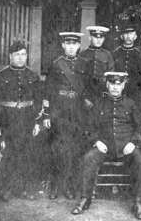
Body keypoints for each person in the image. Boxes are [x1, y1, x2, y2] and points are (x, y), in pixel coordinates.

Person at [71, 72, 141, 220]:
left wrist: (133, 143)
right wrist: (96, 141)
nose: (115, 88)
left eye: (118, 84)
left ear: (124, 85)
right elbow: (88, 127)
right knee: (88, 158)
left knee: (140, 160)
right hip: (104, 146)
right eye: (112, 84)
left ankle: (138, 202)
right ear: (107, 84)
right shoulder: (98, 103)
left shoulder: (131, 104)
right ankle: (85, 199)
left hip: (126, 147)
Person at [0, 41, 43, 201]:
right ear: (10, 56)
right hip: (7, 119)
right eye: (17, 54)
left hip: (27, 119)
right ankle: (7, 189)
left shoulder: (33, 76)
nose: (20, 58)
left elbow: (39, 100)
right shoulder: (0, 76)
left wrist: (38, 122)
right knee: (8, 153)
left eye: (23, 54)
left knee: (27, 154)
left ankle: (25, 189)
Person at [42, 32, 91, 200]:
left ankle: (70, 185)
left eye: (74, 44)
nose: (71, 47)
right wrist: (47, 115)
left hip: (77, 112)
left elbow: (88, 88)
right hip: (59, 111)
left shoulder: (85, 64)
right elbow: (47, 91)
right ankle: (55, 184)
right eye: (67, 44)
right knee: (58, 149)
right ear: (63, 45)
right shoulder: (56, 64)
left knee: (75, 149)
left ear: (78, 46)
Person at [79, 26, 114, 102]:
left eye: (101, 38)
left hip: (103, 93)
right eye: (95, 37)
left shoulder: (108, 55)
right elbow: (78, 78)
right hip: (86, 93)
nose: (99, 40)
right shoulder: (82, 54)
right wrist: (84, 97)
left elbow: (111, 75)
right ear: (90, 38)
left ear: (104, 39)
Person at [113, 25, 141, 94]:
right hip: (118, 88)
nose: (128, 36)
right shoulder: (116, 53)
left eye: (131, 34)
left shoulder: (140, 53)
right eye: (126, 34)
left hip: (135, 89)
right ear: (122, 36)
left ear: (135, 37)